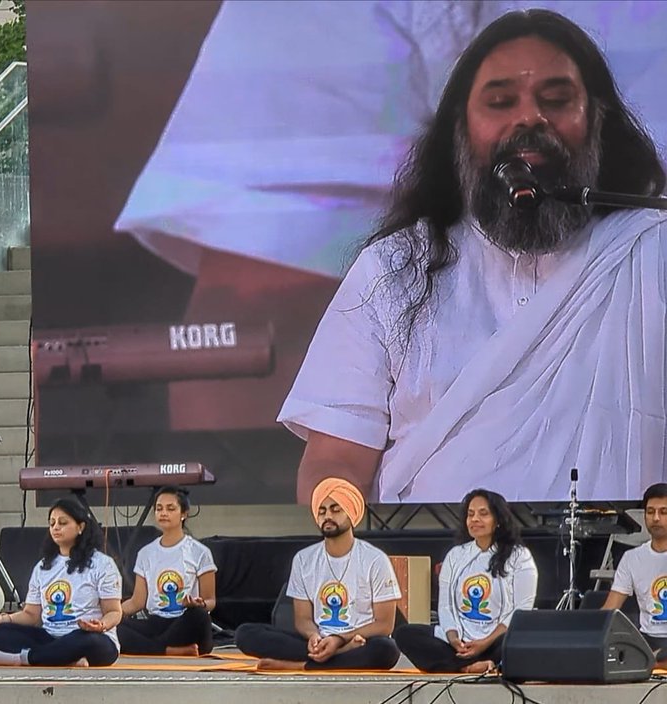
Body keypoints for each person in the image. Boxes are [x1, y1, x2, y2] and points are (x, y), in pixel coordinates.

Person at [279, 9, 667, 503]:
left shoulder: (652, 257)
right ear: (461, 129)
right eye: (501, 102)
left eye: (557, 100)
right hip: (435, 573)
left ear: (597, 120)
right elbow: (336, 459)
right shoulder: (395, 271)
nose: (529, 119)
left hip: (620, 573)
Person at [235, 478, 401, 670]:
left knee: (387, 650)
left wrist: (340, 639)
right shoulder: (304, 559)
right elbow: (303, 619)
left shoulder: (375, 559)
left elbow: (384, 625)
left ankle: (302, 666)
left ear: (351, 513)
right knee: (245, 634)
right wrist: (314, 637)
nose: (327, 516)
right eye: (322, 511)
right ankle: (336, 657)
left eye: (335, 509)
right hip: (320, 641)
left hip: (360, 640)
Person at [394, 489, 537, 673]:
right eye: (470, 514)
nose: (475, 519)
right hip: (459, 645)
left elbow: (521, 609)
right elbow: (445, 607)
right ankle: (469, 667)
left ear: (499, 520)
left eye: (483, 514)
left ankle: (472, 664)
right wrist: (454, 639)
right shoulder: (455, 555)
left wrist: (485, 643)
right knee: (405, 634)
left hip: (496, 641)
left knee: (521, 637)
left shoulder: (519, 556)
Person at [0, 497, 122, 667]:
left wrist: (100, 625)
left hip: (90, 637)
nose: (56, 528)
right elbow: (31, 615)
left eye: (62, 523)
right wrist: (2, 619)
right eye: (52, 523)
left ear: (80, 527)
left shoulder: (102, 564)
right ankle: (66, 658)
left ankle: (24, 659)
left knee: (85, 640)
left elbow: (114, 612)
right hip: (50, 636)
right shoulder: (42, 567)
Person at [117, 486, 217, 656]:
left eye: (170, 509)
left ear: (184, 513)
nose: (163, 513)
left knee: (199, 616)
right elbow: (137, 602)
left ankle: (153, 648)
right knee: (115, 629)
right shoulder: (145, 553)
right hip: (156, 624)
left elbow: (210, 601)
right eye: (159, 509)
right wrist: (109, 614)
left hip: (185, 621)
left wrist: (200, 604)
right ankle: (168, 650)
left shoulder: (199, 552)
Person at [602, 483, 667, 662]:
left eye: (664, 512)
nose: (655, 518)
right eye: (650, 511)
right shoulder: (632, 558)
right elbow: (610, 609)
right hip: (647, 641)